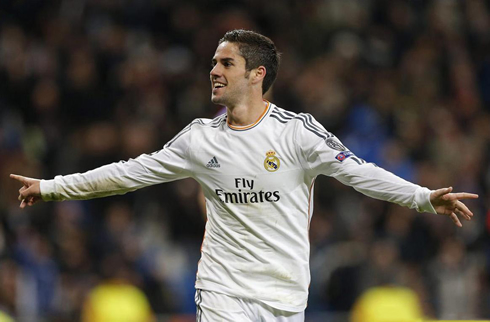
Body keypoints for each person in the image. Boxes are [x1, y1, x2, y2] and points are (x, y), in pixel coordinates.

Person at [10, 29, 478, 322]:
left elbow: (359, 173)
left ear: (256, 75)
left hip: (285, 294)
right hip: (223, 290)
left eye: (225, 63)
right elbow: (128, 174)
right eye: (213, 61)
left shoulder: (298, 134)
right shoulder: (199, 139)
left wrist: (422, 198)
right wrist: (52, 187)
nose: (212, 70)